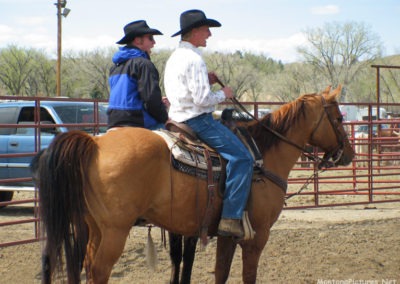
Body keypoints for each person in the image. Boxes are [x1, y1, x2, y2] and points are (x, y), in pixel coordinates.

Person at [164, 9, 254, 238]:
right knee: (243, 158)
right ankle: (231, 217)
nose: (209, 35)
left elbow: (185, 90)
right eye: (206, 30)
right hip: (198, 120)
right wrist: (223, 93)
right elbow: (202, 100)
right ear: (194, 32)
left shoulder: (175, 57)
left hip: (176, 118)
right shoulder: (194, 59)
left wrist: (206, 80)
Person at [107, 20, 168, 130]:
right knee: (173, 138)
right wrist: (165, 118)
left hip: (113, 120)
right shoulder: (144, 64)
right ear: (138, 40)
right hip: (136, 119)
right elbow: (151, 100)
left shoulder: (114, 67)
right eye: (150, 38)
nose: (154, 43)